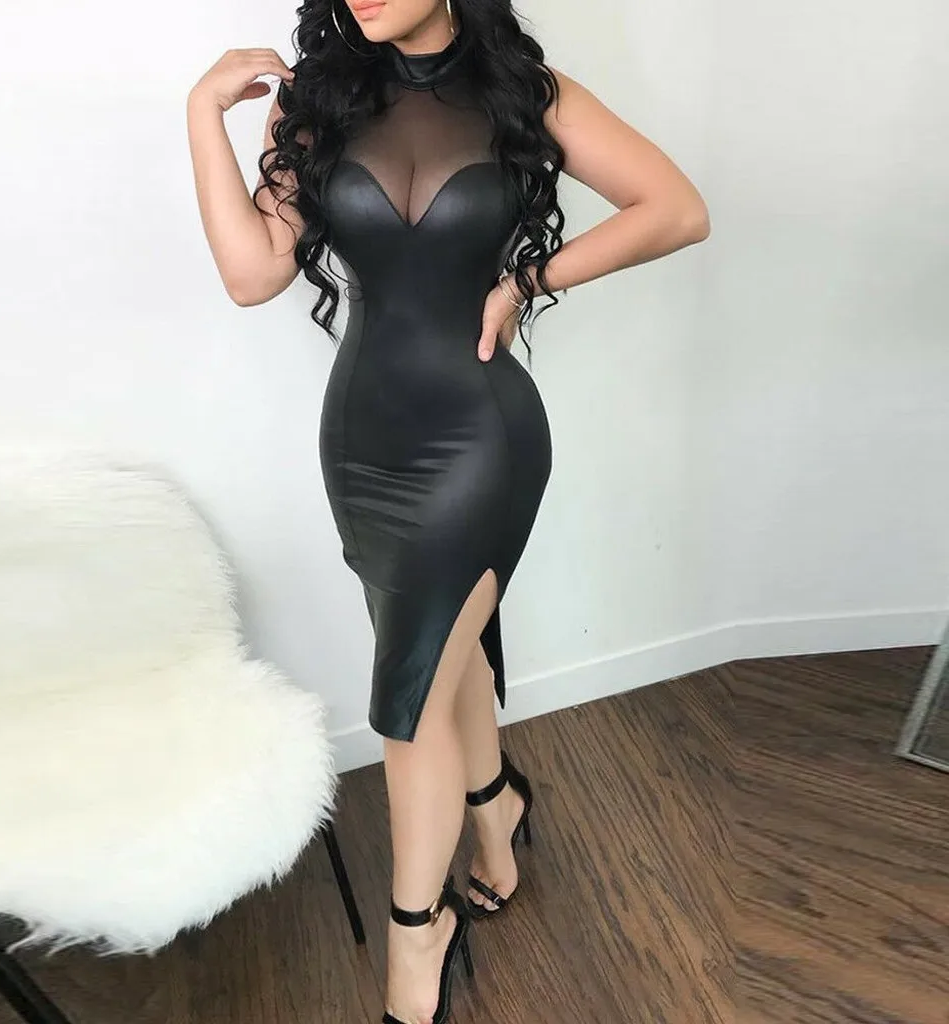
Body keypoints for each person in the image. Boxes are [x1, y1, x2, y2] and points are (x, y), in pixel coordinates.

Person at [187, 2, 709, 1021]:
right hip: (362, 440)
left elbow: (675, 208)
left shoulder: (526, 94)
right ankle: (496, 804)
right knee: (434, 652)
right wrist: (202, 114)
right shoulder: (319, 103)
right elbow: (253, 274)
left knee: (410, 694)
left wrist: (526, 281)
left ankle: (416, 937)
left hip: (481, 438)